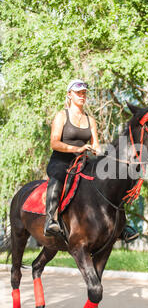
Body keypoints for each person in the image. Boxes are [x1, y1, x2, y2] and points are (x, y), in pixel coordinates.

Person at [44, 78, 139, 243]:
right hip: (61, 161)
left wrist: (100, 151)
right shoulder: (61, 116)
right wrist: (76, 149)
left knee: (110, 180)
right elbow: (54, 143)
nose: (82, 96)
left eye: (84, 93)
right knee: (59, 176)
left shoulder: (90, 120)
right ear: (69, 95)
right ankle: (50, 220)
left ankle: (121, 225)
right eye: (78, 93)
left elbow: (95, 144)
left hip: (82, 162)